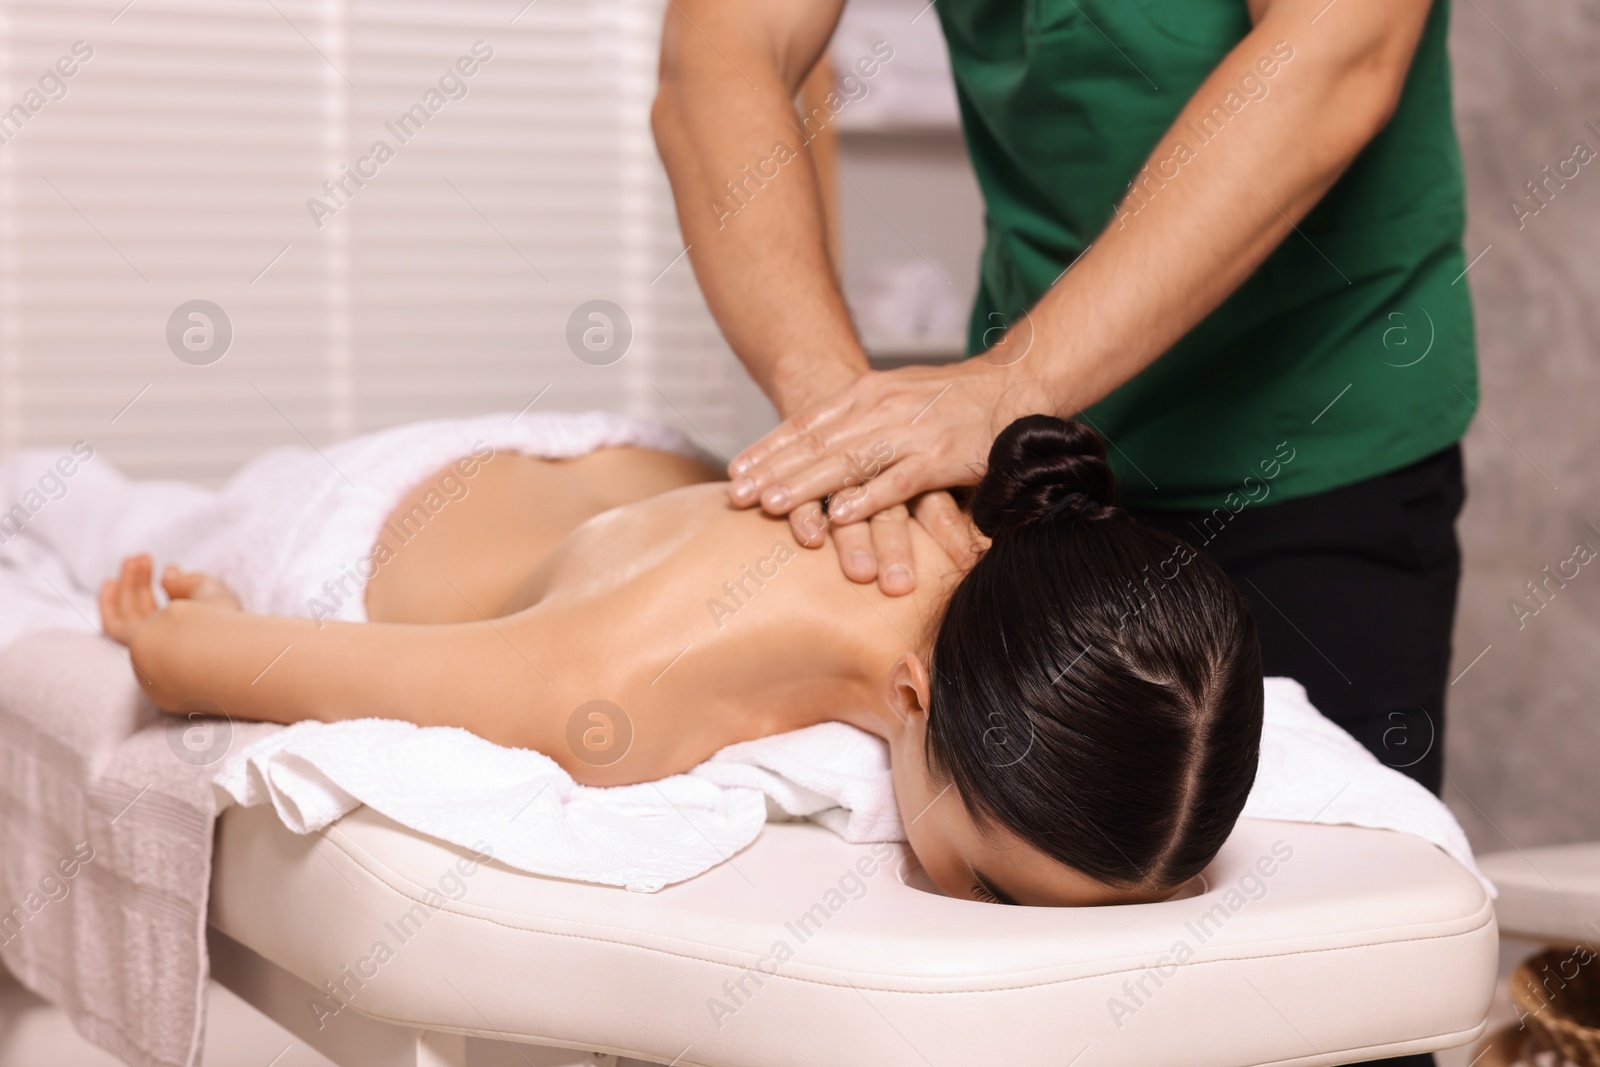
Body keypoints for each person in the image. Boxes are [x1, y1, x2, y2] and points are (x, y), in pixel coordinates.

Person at [650, 0, 1470, 819]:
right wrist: (840, 423)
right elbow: (722, 53)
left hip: (1314, 423)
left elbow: (1338, 55)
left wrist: (1016, 382)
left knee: (1328, 912)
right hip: (1025, 466)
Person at [96, 412, 1264, 908]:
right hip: (375, 510)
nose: (995, 911)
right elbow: (180, 654)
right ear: (915, 694)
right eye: (995, 885)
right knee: (74, 509)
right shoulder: (609, 693)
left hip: (624, 455)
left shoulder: (987, 526)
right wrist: (202, 615)